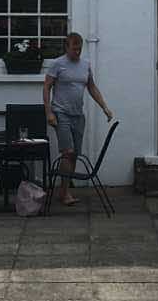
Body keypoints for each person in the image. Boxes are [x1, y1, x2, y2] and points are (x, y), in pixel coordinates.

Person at [43, 32, 113, 208]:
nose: (77, 51)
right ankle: (65, 192)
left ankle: (64, 189)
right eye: (74, 48)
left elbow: (92, 87)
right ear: (67, 47)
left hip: (78, 115)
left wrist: (104, 107)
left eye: (80, 48)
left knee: (74, 155)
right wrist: (49, 113)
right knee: (67, 152)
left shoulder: (85, 65)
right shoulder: (58, 64)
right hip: (61, 113)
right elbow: (46, 88)